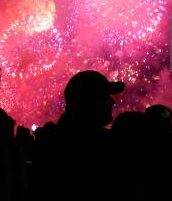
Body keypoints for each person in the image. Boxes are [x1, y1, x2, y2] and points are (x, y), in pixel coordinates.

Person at [34, 70, 124, 200]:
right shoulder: (98, 146)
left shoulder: (54, 141)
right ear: (90, 101)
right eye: (105, 96)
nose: (112, 102)